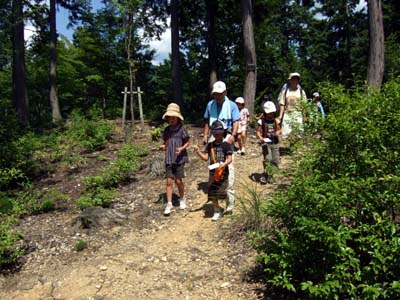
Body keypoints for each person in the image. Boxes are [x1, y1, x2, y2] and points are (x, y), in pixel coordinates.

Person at [203, 81, 240, 214]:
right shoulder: (210, 105)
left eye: (220, 94)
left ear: (225, 93)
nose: (217, 96)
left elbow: (236, 121)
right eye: (215, 94)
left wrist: (233, 135)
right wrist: (206, 135)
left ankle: (230, 201)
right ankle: (215, 195)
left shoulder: (232, 105)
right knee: (213, 164)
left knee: (228, 167)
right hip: (214, 134)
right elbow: (207, 121)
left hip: (227, 135)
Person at [194, 120, 233, 221]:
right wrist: (198, 152)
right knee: (212, 192)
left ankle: (229, 201)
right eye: (214, 132)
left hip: (223, 173)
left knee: (222, 192)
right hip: (212, 173)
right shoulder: (210, 145)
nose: (216, 134)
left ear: (222, 133)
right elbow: (206, 158)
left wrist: (224, 164)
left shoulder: (226, 145)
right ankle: (217, 210)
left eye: (218, 132)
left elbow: (229, 159)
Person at [160, 103, 190, 215]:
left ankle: (182, 198)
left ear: (177, 118)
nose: (171, 119)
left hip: (179, 159)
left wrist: (182, 148)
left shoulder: (182, 129)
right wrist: (163, 146)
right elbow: (166, 142)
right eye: (170, 117)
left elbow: (187, 142)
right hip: (169, 158)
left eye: (173, 117)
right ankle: (169, 203)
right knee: (169, 181)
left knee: (178, 180)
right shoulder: (167, 130)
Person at [256, 101, 281, 184]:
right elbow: (258, 131)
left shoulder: (275, 121)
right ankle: (268, 175)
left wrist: (277, 133)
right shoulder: (261, 121)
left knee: (276, 160)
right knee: (268, 159)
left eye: (272, 113)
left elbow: (278, 129)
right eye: (269, 113)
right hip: (266, 143)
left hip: (275, 142)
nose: (271, 115)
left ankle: (269, 175)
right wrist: (261, 138)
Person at [277, 72, 307, 140]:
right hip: (287, 113)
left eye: (296, 79)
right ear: (290, 80)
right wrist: (280, 116)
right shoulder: (285, 91)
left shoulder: (301, 92)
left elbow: (304, 105)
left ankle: (296, 149)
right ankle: (286, 149)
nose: (294, 81)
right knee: (285, 134)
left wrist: (304, 116)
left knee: (298, 134)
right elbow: (282, 103)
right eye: (293, 79)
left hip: (298, 114)